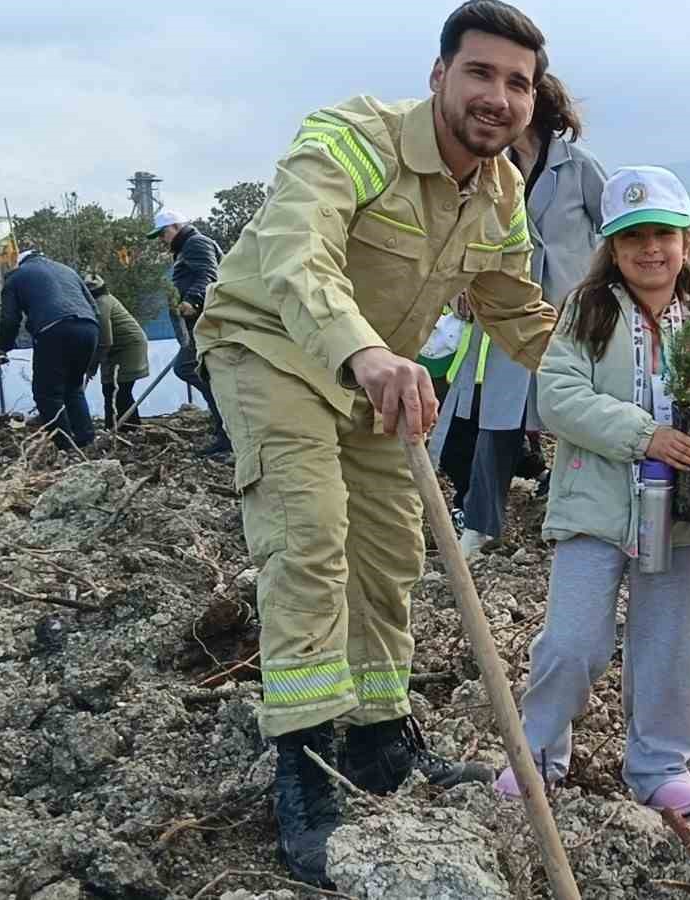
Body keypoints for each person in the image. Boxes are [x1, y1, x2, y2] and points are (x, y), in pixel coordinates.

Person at [192, 2, 560, 885]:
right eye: (481, 72)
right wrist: (363, 352)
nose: (498, 97)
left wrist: (628, 381)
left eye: (518, 83)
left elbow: (518, 311)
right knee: (310, 537)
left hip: (377, 376)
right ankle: (307, 768)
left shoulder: (503, 193)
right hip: (275, 346)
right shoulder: (353, 136)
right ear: (439, 76)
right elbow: (298, 256)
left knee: (391, 550)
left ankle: (381, 743)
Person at [497, 165, 690, 815]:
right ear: (612, 245)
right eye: (632, 236)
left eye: (662, 233)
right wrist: (644, 435)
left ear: (684, 240)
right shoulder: (590, 309)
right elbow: (558, 397)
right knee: (573, 640)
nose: (649, 249)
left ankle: (661, 765)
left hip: (681, 508)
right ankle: (537, 752)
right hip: (595, 502)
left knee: (667, 641)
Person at [430, 72, 607, 556]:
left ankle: (587, 512)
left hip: (571, 315)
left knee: (579, 412)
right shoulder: (490, 168)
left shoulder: (579, 168)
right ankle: (482, 521)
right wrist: (464, 285)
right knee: (497, 419)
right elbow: (466, 229)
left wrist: (600, 290)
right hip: (510, 309)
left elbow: (614, 229)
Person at [0, 250, 101, 449]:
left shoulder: (16, 277)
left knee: (47, 393)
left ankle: (65, 447)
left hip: (54, 329)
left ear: (21, 262)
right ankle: (87, 440)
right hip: (90, 328)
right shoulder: (67, 271)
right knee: (73, 387)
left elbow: (10, 320)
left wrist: (2, 346)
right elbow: (94, 308)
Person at [148, 209, 228, 457]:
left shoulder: (196, 243)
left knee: (192, 369)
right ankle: (223, 425)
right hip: (201, 325)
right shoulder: (186, 248)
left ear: (174, 227)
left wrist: (192, 300)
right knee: (201, 373)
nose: (162, 240)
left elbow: (209, 274)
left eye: (162, 234)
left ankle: (226, 431)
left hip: (208, 322)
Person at [84, 274, 150, 430]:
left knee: (119, 391)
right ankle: (116, 427)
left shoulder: (101, 304)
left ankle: (129, 428)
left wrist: (92, 365)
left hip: (129, 348)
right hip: (116, 349)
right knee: (111, 390)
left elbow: (105, 341)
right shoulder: (101, 301)